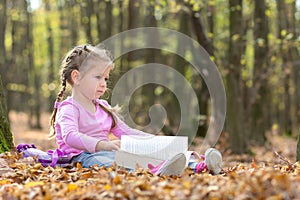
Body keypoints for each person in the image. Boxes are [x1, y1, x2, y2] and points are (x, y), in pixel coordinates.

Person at [49, 44, 222, 176]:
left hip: (105, 151)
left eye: (106, 78)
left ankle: (198, 166)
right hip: (81, 158)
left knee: (143, 151)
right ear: (76, 77)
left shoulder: (103, 107)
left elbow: (126, 132)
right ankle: (159, 171)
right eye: (97, 77)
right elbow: (70, 137)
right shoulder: (69, 108)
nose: (103, 83)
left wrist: (154, 143)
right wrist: (104, 145)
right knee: (116, 160)